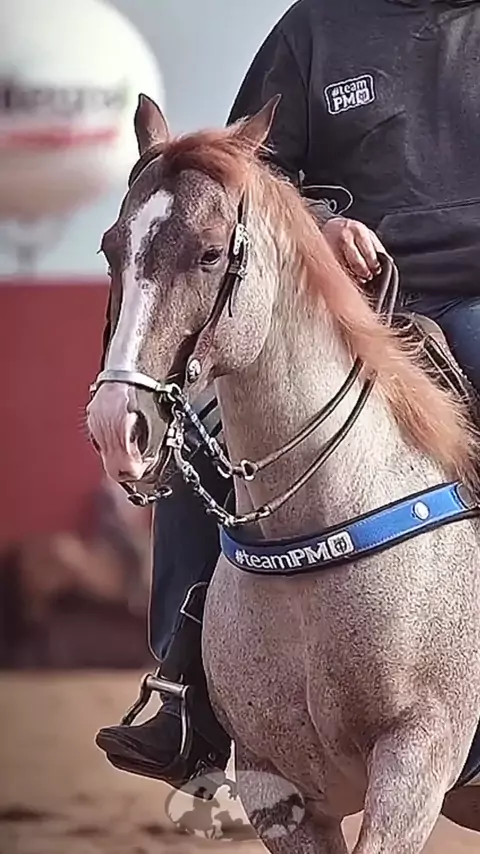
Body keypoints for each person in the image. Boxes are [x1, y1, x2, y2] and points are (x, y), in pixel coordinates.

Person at [95, 0, 480, 789]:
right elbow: (240, 174)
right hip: (341, 308)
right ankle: (185, 691)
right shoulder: (315, 28)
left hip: (475, 298)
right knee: (197, 435)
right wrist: (321, 222)